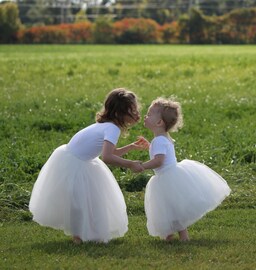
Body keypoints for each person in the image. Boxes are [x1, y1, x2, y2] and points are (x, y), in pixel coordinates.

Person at [29, 88, 145, 244]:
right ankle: (80, 235)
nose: (137, 113)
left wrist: (130, 147)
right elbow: (107, 157)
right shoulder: (112, 129)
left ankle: (82, 234)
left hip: (71, 159)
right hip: (76, 164)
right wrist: (131, 164)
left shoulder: (105, 125)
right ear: (119, 113)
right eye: (133, 110)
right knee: (83, 202)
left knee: (83, 201)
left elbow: (109, 152)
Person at [140, 97, 231, 241]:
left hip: (166, 178)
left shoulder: (159, 140)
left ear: (159, 122)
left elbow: (159, 160)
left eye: (149, 114)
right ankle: (171, 235)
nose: (146, 116)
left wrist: (142, 165)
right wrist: (149, 146)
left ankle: (181, 236)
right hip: (172, 175)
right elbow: (162, 152)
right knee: (172, 208)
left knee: (170, 208)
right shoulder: (163, 137)